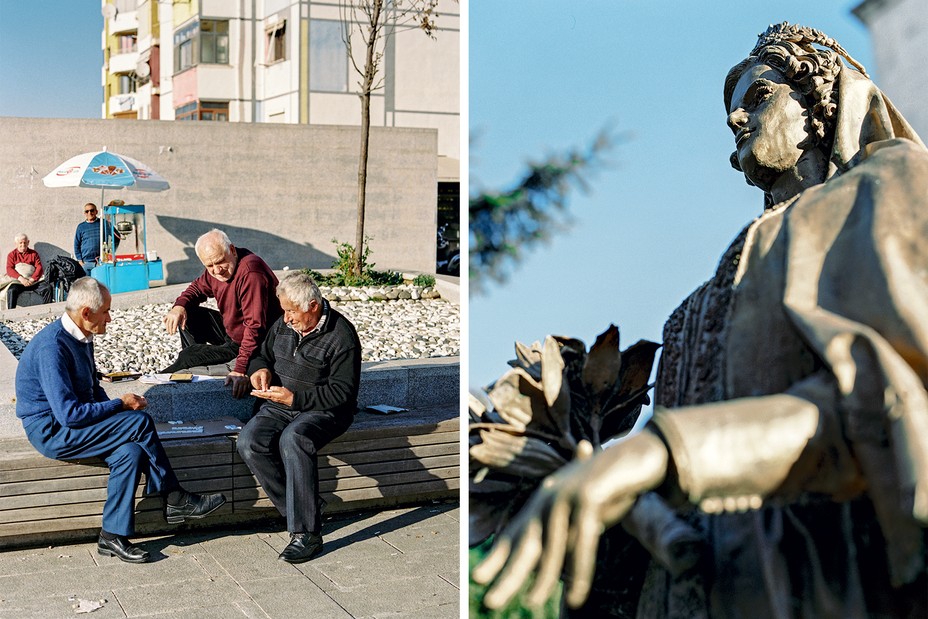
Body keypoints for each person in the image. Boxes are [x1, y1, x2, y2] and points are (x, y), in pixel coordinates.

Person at [473, 23, 928, 618]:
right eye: (731, 115)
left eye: (760, 98)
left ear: (821, 106)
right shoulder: (712, 285)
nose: (738, 121)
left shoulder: (888, 190)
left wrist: (659, 455)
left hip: (822, 583)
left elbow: (888, 399)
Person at [15, 277, 227, 563]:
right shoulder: (52, 348)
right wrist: (119, 405)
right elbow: (69, 415)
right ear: (86, 313)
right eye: (106, 312)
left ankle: (111, 536)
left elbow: (92, 390)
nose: (111, 319)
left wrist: (115, 408)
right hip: (52, 430)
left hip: (68, 422)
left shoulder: (81, 336)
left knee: (130, 451)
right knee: (138, 423)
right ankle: (175, 498)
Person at [236, 272, 361, 563]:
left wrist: (297, 399)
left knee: (295, 439)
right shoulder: (284, 324)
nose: (287, 318)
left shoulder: (342, 335)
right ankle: (304, 507)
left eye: (292, 311)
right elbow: (261, 355)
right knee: (249, 441)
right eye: (285, 311)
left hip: (325, 410)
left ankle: (307, 534)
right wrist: (259, 370)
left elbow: (343, 393)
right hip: (281, 404)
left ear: (313, 306)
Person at [161, 229, 282, 398]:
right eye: (209, 266)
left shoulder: (251, 272)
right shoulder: (216, 270)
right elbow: (196, 288)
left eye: (220, 262)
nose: (217, 271)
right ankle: (197, 365)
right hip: (233, 332)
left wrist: (240, 368)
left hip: (257, 341)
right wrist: (179, 307)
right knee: (190, 315)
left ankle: (166, 374)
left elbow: (255, 326)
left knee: (188, 356)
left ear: (232, 250)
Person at [73, 202, 119, 273]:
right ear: (84, 213)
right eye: (87, 211)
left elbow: (117, 236)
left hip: (101, 262)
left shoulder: (103, 223)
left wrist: (112, 252)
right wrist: (80, 261)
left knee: (100, 283)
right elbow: (76, 244)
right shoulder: (81, 227)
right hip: (86, 263)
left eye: (92, 210)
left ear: (96, 211)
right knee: (86, 283)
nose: (89, 213)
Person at [4, 233, 43, 309]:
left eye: (25, 242)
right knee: (11, 290)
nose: (23, 245)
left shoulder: (34, 254)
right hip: (18, 282)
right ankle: (11, 314)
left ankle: (47, 313)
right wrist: (21, 279)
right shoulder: (12, 255)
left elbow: (39, 267)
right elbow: (9, 269)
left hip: (32, 281)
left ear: (28, 242)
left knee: (47, 288)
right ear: (16, 244)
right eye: (20, 243)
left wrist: (32, 279)